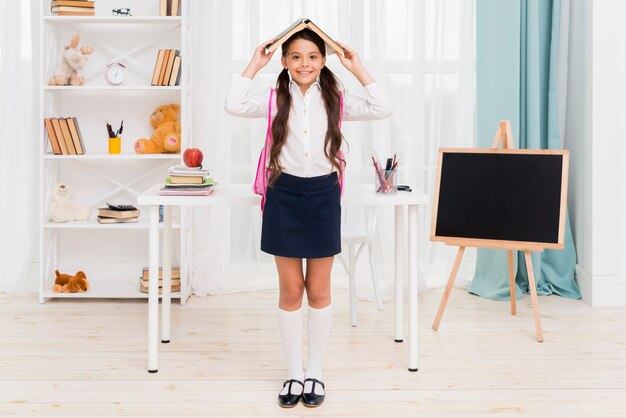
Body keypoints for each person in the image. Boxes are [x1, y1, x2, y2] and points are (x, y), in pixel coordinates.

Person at [225, 28, 392, 408]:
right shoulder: (272, 100)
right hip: (283, 195)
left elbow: (383, 107)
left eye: (313, 56)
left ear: (324, 60)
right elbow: (233, 103)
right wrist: (255, 62)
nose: (305, 63)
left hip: (322, 195)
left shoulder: (336, 99)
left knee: (318, 290)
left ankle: (315, 372)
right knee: (290, 291)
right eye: (296, 56)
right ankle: (293, 374)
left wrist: (357, 66)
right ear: (284, 61)